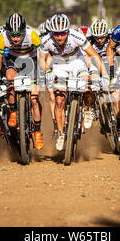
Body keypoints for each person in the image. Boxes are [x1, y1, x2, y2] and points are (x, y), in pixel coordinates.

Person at [40, 13, 109, 151]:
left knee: (87, 86)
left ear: (67, 31)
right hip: (59, 64)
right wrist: (47, 71)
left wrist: (105, 75)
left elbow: (94, 55)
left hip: (77, 62)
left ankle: (88, 109)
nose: (59, 37)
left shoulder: (76, 36)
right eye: (56, 34)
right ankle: (60, 134)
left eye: (63, 33)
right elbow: (41, 60)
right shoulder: (46, 40)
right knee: (59, 100)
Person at [0, 13, 44, 150]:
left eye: (19, 35)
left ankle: (37, 131)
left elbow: (43, 55)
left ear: (24, 31)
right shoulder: (3, 37)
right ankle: (13, 111)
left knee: (35, 99)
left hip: (32, 61)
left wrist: (42, 74)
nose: (16, 38)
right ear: (8, 32)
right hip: (14, 61)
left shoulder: (33, 35)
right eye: (13, 35)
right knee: (10, 81)